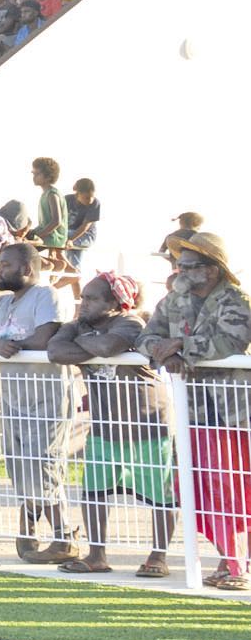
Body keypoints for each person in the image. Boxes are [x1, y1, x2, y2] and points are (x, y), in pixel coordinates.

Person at [140, 232, 251, 589]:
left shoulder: (236, 300)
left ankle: (237, 566)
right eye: (179, 264)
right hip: (193, 412)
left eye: (188, 265)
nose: (179, 270)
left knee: (231, 489)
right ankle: (228, 559)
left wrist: (182, 346)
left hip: (233, 413)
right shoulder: (173, 301)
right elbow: (145, 337)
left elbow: (231, 342)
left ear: (212, 270)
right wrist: (167, 352)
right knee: (196, 487)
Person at [49, 272, 176, 578]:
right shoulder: (79, 324)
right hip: (105, 427)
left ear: (115, 302)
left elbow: (109, 346)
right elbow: (55, 351)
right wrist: (89, 341)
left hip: (147, 425)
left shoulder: (131, 322)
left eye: (92, 298)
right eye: (84, 297)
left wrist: (82, 344)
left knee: (161, 495)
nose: (83, 303)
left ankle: (158, 556)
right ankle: (96, 555)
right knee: (93, 491)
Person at [0, 243, 77, 563]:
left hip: (47, 396)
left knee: (44, 463)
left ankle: (63, 535)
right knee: (19, 464)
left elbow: (46, 337)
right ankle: (30, 522)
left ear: (26, 269)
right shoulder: (2, 303)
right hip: (13, 397)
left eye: (5, 265)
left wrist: (8, 346)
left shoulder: (46, 295)